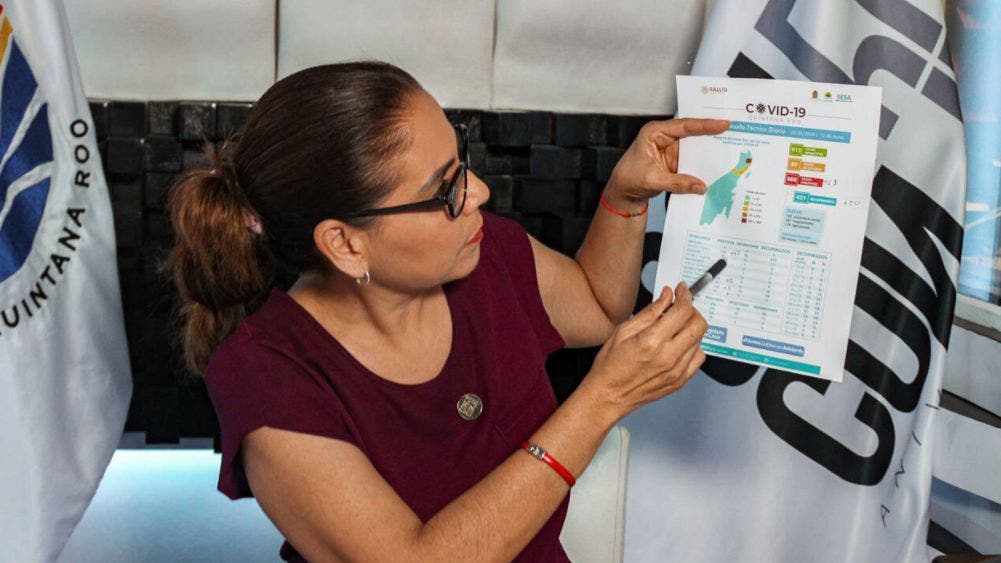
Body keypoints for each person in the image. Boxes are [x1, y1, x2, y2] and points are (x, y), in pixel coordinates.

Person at [166, 61, 726, 562]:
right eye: (445, 189)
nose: (477, 192)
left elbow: (598, 307)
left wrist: (626, 198)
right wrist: (601, 401)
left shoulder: (483, 254)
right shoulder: (266, 376)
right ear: (345, 244)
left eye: (462, 164)